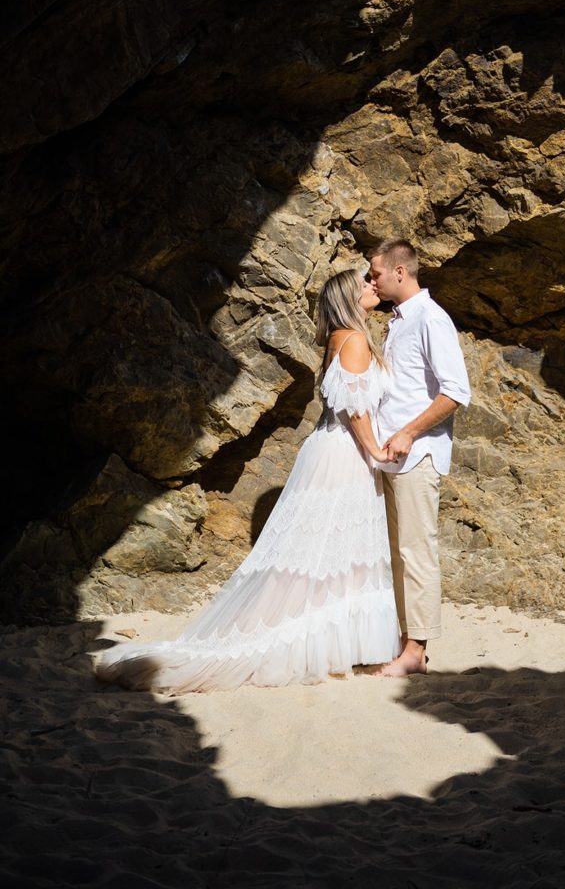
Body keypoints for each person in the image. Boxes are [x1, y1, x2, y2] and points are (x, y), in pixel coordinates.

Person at [94, 269, 401, 693]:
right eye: (363, 284)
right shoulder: (354, 339)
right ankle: (316, 638)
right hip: (346, 451)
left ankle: (334, 641)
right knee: (330, 546)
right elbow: (356, 410)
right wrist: (377, 452)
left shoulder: (338, 337)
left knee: (326, 547)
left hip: (330, 448)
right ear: (349, 297)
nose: (372, 286)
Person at [369, 239, 470, 677]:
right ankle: (403, 643)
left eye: (375, 273)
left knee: (416, 549)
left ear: (399, 273)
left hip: (417, 454)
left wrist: (409, 432)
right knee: (395, 551)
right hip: (388, 456)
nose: (369, 280)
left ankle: (416, 650)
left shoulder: (430, 318)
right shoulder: (398, 321)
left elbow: (456, 392)